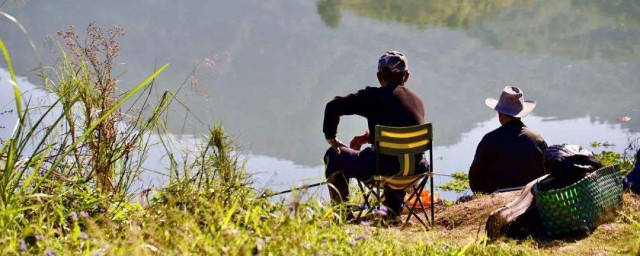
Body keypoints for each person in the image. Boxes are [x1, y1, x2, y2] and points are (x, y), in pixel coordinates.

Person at [322, 51, 429, 218]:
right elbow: (401, 136)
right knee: (396, 156)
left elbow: (333, 106)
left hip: (383, 171)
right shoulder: (417, 101)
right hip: (416, 171)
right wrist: (368, 138)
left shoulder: (372, 97)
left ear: (379, 76)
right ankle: (391, 211)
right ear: (406, 76)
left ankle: (343, 216)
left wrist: (332, 138)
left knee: (333, 155)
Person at [468, 86, 548, 194]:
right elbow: (548, 172)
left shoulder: (489, 140)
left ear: (500, 113)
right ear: (521, 114)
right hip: (532, 195)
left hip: (497, 196)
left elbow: (475, 177)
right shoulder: (537, 139)